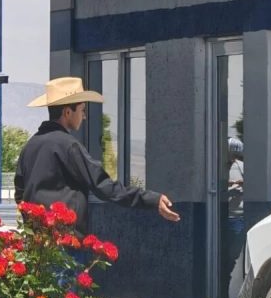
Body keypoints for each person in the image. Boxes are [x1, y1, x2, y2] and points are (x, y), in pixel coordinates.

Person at [14, 76, 180, 233]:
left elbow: (20, 193)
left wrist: (34, 226)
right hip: (65, 239)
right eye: (82, 110)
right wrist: (151, 199)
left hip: (37, 241)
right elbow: (103, 186)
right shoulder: (69, 146)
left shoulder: (30, 146)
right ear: (67, 112)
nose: (84, 116)